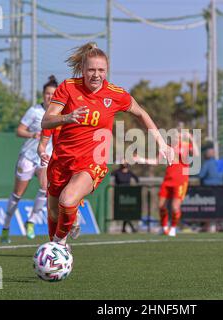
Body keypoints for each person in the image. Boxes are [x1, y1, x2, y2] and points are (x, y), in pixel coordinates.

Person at [41, 42, 174, 247]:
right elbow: (46, 121)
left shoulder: (115, 94)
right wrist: (67, 117)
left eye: (101, 70)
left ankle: (58, 247)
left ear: (107, 70)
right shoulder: (68, 87)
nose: (96, 74)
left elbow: (141, 113)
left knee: (67, 200)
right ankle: (64, 232)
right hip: (61, 160)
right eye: (91, 70)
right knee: (53, 211)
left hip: (91, 162)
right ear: (83, 70)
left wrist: (162, 143)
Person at [0, 76, 58, 243]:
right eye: (47, 94)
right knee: (17, 194)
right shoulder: (34, 111)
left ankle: (31, 221)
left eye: (53, 94)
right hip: (28, 156)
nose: (50, 97)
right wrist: (33, 134)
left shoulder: (59, 114)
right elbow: (19, 130)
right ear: (43, 95)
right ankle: (6, 227)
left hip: (45, 158)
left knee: (45, 189)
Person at [136, 126, 199, 237]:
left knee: (175, 207)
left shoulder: (184, 146)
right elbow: (156, 161)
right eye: (172, 134)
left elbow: (196, 155)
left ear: (180, 136)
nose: (174, 136)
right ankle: (164, 227)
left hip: (180, 181)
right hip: (168, 180)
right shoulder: (167, 148)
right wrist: (141, 159)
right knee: (161, 206)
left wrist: (191, 139)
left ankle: (173, 228)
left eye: (177, 134)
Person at [111, 161, 140, 233]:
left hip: (127, 195)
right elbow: (110, 175)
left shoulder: (129, 173)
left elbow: (137, 180)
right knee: (123, 212)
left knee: (127, 212)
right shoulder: (117, 172)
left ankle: (125, 229)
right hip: (119, 194)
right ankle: (130, 228)